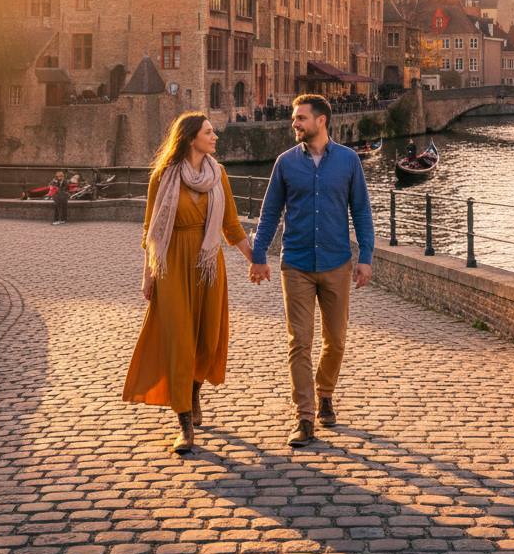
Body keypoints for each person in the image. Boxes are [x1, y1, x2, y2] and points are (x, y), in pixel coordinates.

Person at [123, 112, 255, 454]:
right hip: (172, 265)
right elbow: (150, 231)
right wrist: (147, 273)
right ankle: (183, 422)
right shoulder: (162, 177)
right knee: (180, 341)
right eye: (209, 133)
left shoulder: (218, 174)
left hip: (208, 264)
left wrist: (254, 257)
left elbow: (231, 225)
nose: (215, 138)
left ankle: (195, 392)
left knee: (207, 340)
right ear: (191, 138)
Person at [250, 94, 374, 448]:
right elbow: (270, 212)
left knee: (335, 341)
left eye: (301, 118)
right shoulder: (286, 163)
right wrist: (259, 256)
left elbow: (362, 212)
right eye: (295, 118)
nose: (295, 123)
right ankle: (304, 418)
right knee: (299, 342)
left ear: (321, 121)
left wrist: (365, 256)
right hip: (297, 264)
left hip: (337, 262)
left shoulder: (349, 161)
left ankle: (325, 393)